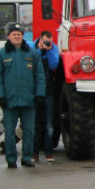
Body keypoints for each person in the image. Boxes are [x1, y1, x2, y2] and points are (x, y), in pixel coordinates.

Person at [0, 23, 46, 169]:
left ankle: (27, 158)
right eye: (14, 34)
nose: (17, 37)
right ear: (8, 36)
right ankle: (11, 159)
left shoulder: (32, 54)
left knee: (29, 131)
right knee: (9, 132)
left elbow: (39, 76)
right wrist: (0, 96)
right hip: (9, 101)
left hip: (29, 100)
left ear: (23, 37)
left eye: (19, 34)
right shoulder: (1, 54)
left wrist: (39, 94)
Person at [33, 31, 61, 161]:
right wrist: (39, 50)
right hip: (34, 91)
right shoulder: (32, 47)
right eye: (45, 41)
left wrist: (49, 50)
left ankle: (48, 152)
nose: (47, 43)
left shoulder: (53, 48)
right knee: (34, 124)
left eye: (49, 41)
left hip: (48, 91)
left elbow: (54, 65)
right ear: (40, 39)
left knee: (49, 124)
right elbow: (32, 64)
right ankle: (34, 153)